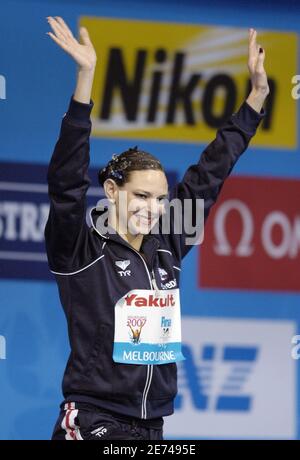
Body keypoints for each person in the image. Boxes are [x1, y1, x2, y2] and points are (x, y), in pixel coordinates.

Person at [44, 16, 269, 440]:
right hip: (93, 419)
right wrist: (85, 81)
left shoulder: (166, 241)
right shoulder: (79, 247)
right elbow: (66, 184)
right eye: (142, 197)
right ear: (111, 190)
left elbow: (210, 173)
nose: (154, 209)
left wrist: (255, 99)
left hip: (152, 425)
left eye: (161, 199)